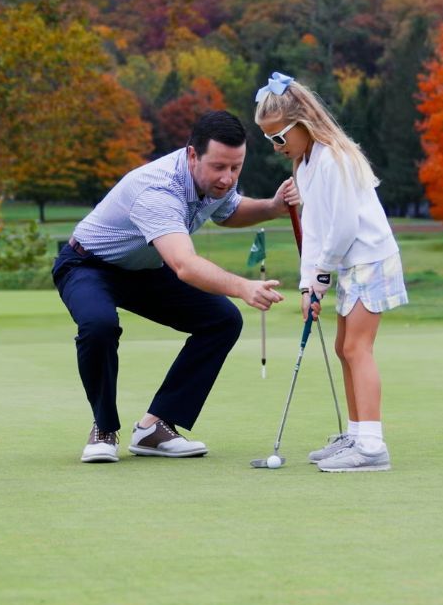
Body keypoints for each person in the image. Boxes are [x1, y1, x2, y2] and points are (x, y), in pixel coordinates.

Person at [55, 110, 295, 463]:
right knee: (99, 325)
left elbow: (228, 211)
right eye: (219, 167)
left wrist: (272, 207)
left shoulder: (212, 180)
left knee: (222, 321)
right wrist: (242, 286)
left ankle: (155, 426)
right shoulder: (157, 189)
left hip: (145, 268)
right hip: (88, 265)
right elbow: (184, 265)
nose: (228, 178)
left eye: (235, 167)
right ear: (192, 155)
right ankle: (104, 428)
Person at [251, 72, 407, 473]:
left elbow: (342, 229)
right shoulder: (305, 165)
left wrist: (320, 278)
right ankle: (356, 435)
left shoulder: (334, 158)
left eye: (279, 137)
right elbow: (317, 231)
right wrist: (308, 285)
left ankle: (372, 447)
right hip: (350, 262)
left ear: (302, 125)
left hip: (370, 258)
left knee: (357, 348)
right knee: (343, 348)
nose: (276, 147)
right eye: (270, 140)